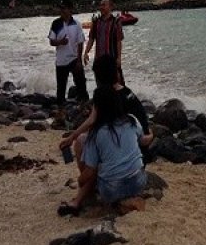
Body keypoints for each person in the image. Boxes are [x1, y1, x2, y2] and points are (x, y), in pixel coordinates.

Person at [58, 63, 151, 217]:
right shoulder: (131, 120)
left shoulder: (97, 134)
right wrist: (152, 135)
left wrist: (81, 181)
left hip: (111, 190)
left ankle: (81, 198)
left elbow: (90, 172)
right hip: (138, 182)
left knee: (92, 165)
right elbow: (144, 141)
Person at [59, 54, 153, 167]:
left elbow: (91, 120)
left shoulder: (105, 96)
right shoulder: (127, 92)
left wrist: (71, 137)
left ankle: (90, 181)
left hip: (128, 155)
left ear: (99, 78)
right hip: (140, 156)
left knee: (81, 141)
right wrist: (152, 135)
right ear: (116, 74)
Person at [49, 0, 88, 106]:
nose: (61, 10)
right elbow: (51, 42)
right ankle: (60, 109)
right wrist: (60, 42)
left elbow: (80, 42)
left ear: (70, 9)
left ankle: (85, 106)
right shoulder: (56, 23)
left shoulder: (77, 24)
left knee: (81, 84)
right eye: (60, 8)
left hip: (74, 59)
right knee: (61, 88)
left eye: (64, 8)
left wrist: (79, 61)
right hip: (61, 61)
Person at [83, 0, 125, 84]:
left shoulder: (116, 22)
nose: (101, 7)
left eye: (104, 5)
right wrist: (86, 52)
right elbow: (91, 38)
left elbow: (118, 41)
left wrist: (119, 58)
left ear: (110, 7)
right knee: (100, 85)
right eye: (100, 5)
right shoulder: (96, 22)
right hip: (99, 60)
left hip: (112, 59)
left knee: (117, 84)